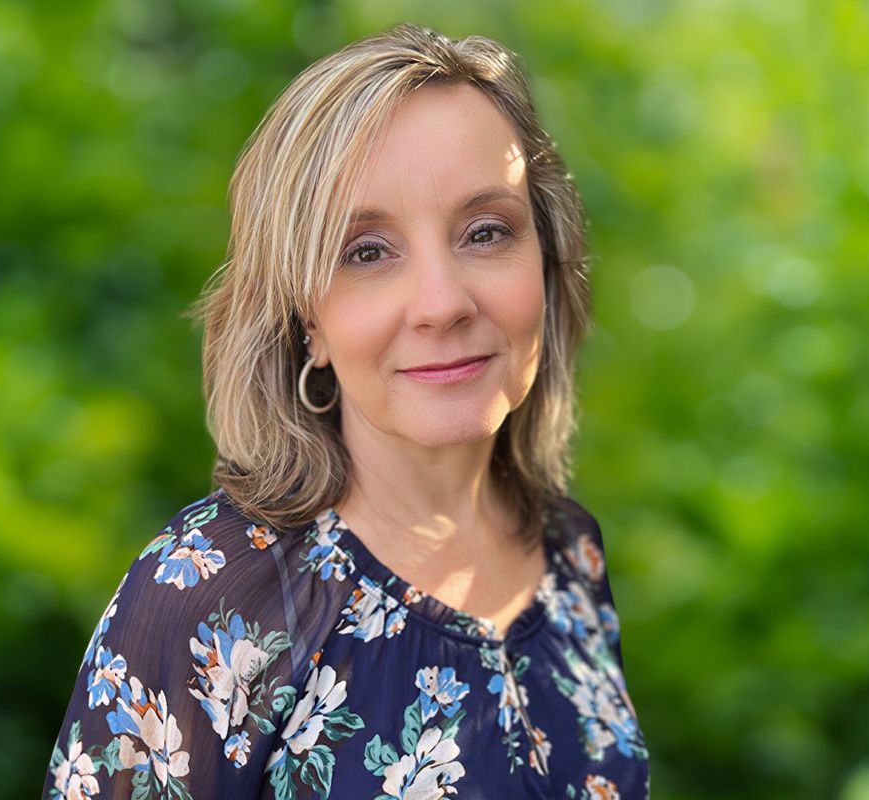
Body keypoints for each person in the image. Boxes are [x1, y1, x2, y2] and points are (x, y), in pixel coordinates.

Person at [43, 22, 649, 800]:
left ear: (548, 258)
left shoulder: (570, 552)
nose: (442, 303)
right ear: (306, 319)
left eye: (486, 231)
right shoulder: (215, 600)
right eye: (366, 251)